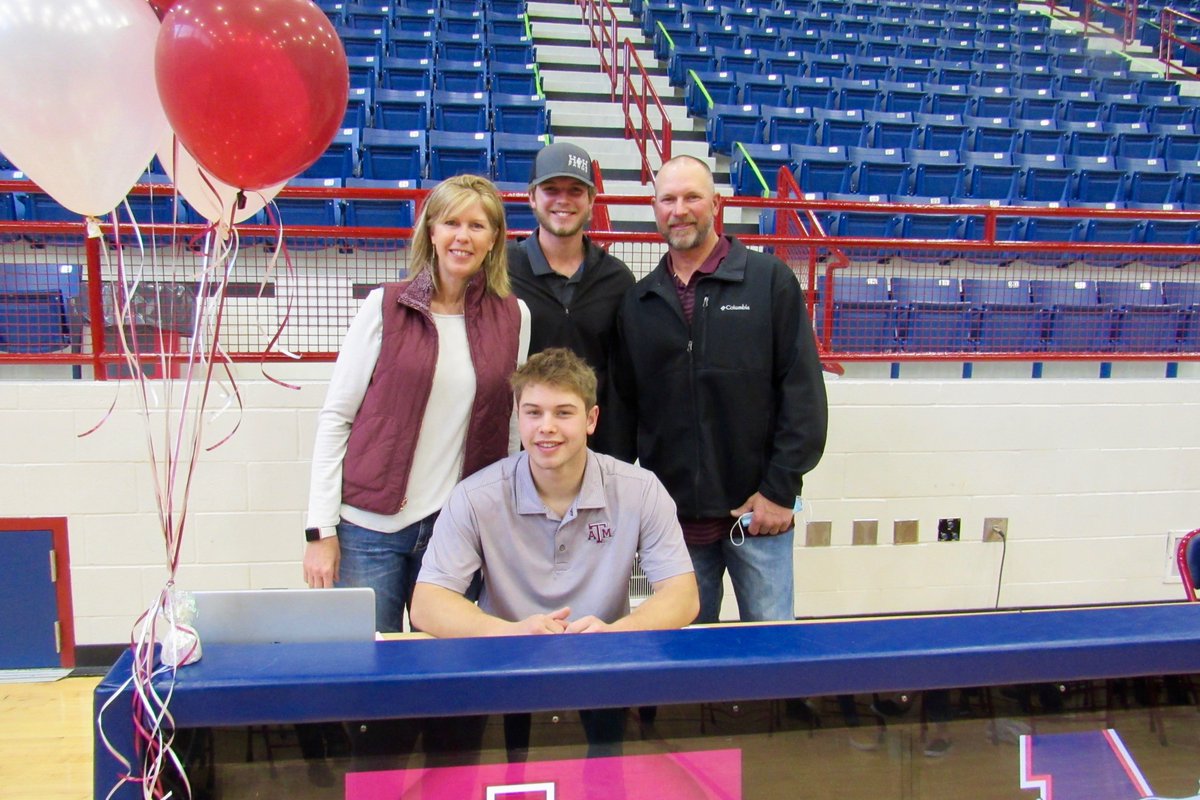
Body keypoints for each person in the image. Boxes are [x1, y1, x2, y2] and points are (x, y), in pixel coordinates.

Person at [411, 348, 699, 756]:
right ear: (518, 418)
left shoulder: (640, 489)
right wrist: (510, 633)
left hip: (603, 666)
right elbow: (427, 603)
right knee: (507, 775)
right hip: (505, 669)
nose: (546, 428)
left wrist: (615, 635)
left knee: (604, 777)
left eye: (563, 413)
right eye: (533, 413)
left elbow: (683, 596)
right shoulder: (475, 497)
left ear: (591, 420)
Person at [303, 173, 530, 630]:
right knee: (370, 671)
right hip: (368, 530)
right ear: (431, 230)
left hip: (455, 531)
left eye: (477, 226)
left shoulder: (514, 316)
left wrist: (499, 527)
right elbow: (336, 420)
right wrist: (320, 531)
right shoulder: (383, 307)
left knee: (448, 672)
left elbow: (508, 434)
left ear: (494, 240)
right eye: (450, 222)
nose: (462, 236)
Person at [612, 154, 828, 625]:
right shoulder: (639, 301)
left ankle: (776, 702)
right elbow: (624, 413)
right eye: (667, 199)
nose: (679, 209)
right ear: (654, 208)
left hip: (759, 516)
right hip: (676, 527)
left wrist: (780, 490)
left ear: (717, 204)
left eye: (692, 197)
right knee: (686, 656)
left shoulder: (770, 282)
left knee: (771, 652)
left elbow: (803, 396)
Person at [507, 141, 635, 456]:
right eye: (551, 189)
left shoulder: (617, 279)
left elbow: (622, 379)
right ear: (532, 198)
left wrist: (616, 451)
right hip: (519, 451)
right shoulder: (501, 270)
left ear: (591, 200)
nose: (563, 200)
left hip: (593, 453)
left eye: (575, 190)